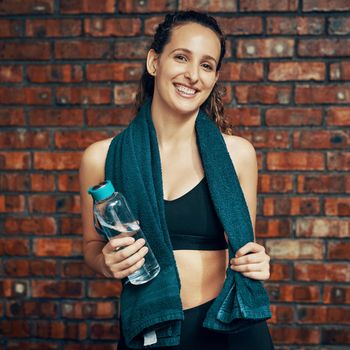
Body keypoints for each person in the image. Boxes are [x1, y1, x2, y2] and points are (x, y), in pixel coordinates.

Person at [79, 10, 274, 350]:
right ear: (154, 62)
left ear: (214, 78)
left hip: (230, 326)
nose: (192, 75)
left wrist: (257, 259)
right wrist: (107, 263)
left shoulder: (237, 154)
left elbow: (246, 251)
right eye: (181, 57)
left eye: (206, 65)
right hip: (149, 327)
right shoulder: (101, 157)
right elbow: (91, 248)